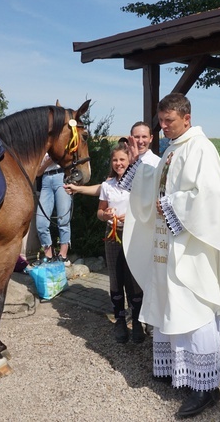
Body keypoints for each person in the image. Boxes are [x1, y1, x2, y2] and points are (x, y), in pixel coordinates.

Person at [120, 93, 220, 418]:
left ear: (186, 119)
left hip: (193, 248)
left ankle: (206, 388)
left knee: (196, 309)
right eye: (160, 122)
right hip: (170, 245)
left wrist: (170, 204)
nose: (162, 128)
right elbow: (157, 183)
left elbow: (208, 196)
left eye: (168, 122)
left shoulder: (200, 147)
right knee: (172, 304)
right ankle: (180, 372)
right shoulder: (173, 149)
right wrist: (140, 164)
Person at [98, 143, 145, 344]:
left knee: (134, 280)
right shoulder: (106, 185)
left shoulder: (138, 184)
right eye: (115, 160)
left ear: (129, 162)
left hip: (133, 235)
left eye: (122, 160)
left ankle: (136, 322)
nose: (119, 163)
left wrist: (133, 216)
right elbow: (100, 212)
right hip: (112, 236)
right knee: (116, 279)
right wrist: (105, 214)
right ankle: (119, 320)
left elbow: (145, 211)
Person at [36, 152, 72, 266]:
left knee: (63, 218)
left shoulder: (59, 142)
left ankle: (63, 255)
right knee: (41, 221)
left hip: (61, 177)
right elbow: (38, 172)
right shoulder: (41, 146)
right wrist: (47, 163)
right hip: (45, 179)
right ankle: (48, 254)